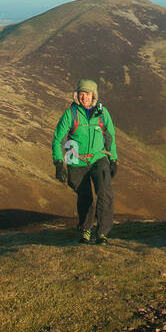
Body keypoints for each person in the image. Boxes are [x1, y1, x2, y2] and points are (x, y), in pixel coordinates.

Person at [52, 78, 118, 244]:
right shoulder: (71, 113)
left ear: (93, 95)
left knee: (105, 192)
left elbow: (110, 136)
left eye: (87, 94)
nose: (84, 97)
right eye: (81, 94)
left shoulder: (103, 113)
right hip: (76, 160)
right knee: (85, 196)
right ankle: (86, 230)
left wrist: (113, 159)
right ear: (77, 95)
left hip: (99, 158)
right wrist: (59, 163)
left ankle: (102, 233)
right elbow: (58, 139)